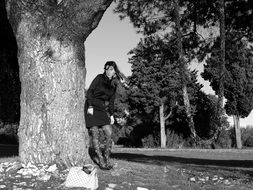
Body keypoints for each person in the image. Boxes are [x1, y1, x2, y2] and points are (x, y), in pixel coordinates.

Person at [85, 61, 122, 170]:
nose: (108, 71)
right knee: (95, 133)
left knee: (109, 132)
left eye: (111, 69)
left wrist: (111, 115)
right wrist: (90, 106)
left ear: (115, 70)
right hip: (91, 106)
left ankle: (107, 159)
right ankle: (101, 161)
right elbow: (90, 91)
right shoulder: (99, 77)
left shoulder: (114, 84)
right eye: (107, 69)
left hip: (101, 109)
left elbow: (111, 101)